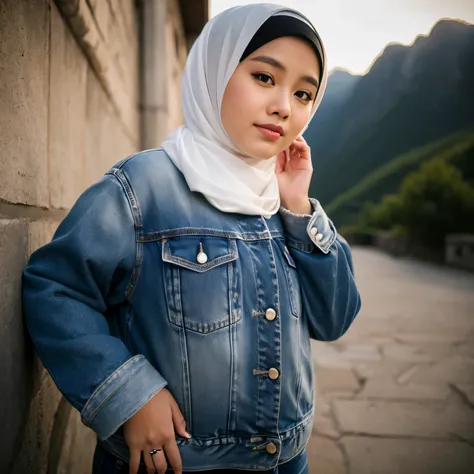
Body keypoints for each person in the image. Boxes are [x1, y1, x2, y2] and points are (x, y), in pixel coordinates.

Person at [22, 3, 361, 474]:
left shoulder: (283, 202)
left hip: (287, 461)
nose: (285, 106)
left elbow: (335, 319)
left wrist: (300, 209)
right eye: (265, 77)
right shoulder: (143, 186)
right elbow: (55, 288)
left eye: (305, 93)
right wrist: (128, 394)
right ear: (215, 70)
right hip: (173, 464)